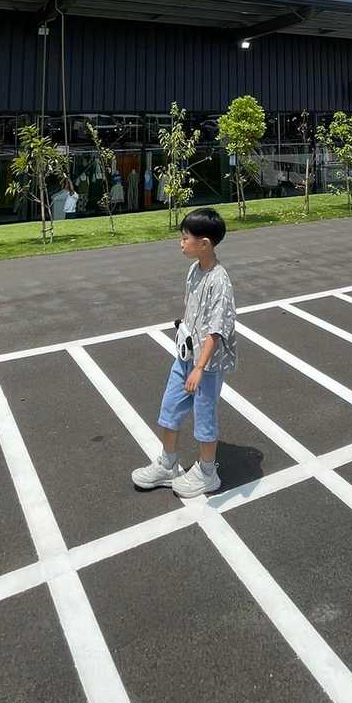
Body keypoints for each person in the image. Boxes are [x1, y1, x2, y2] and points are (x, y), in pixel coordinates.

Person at [131, 206, 237, 498]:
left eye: (185, 237)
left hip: (207, 364)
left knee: (204, 416)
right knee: (170, 407)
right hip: (186, 355)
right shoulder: (193, 270)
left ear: (204, 243)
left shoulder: (220, 280)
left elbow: (217, 329)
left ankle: (208, 473)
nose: (181, 243)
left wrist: (200, 368)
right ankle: (168, 465)